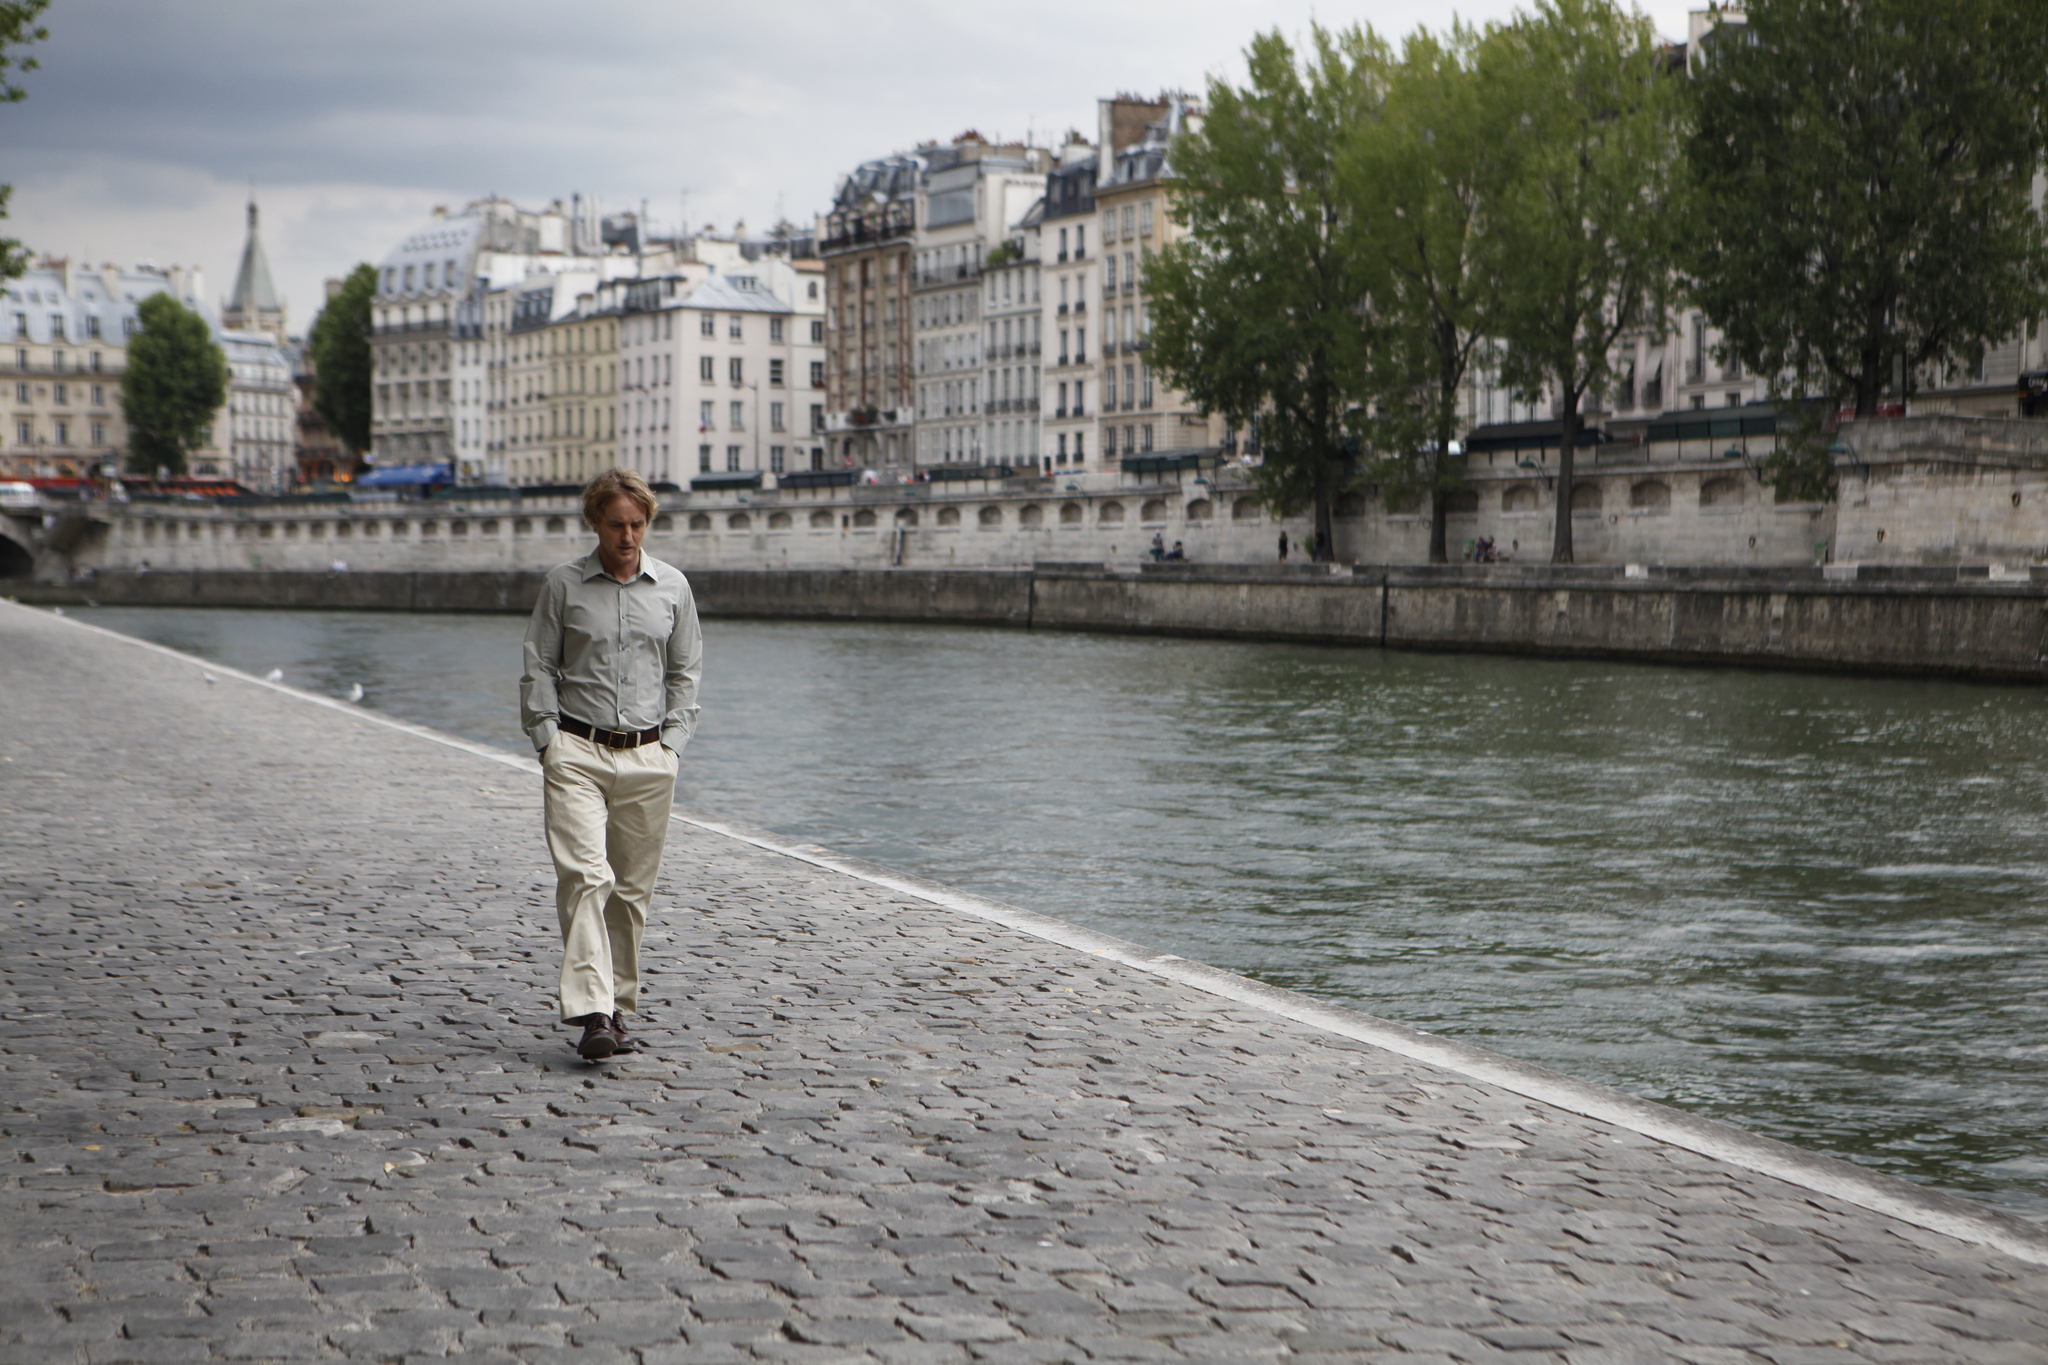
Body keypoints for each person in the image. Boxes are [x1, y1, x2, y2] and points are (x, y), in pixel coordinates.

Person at [520, 468, 702, 1061]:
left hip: (649, 757)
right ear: (594, 523)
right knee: (585, 877)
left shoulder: (673, 587)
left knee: (629, 893)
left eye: (638, 524)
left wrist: (672, 745)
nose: (628, 536)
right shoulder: (563, 585)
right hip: (577, 751)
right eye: (617, 524)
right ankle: (593, 1013)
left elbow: (684, 673)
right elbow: (539, 666)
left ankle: (619, 1010)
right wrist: (548, 740)